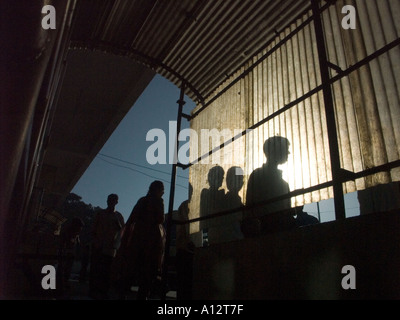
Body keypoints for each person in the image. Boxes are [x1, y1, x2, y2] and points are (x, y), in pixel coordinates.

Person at [118, 181, 166, 300]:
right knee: (148, 271)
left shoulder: (142, 201)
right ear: (157, 190)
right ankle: (142, 295)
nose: (163, 192)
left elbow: (131, 219)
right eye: (162, 190)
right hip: (151, 241)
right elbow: (161, 218)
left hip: (137, 240)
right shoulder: (158, 201)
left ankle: (123, 293)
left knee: (133, 268)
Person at [244, 136, 295, 236]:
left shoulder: (283, 183)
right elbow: (251, 208)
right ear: (275, 151)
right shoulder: (258, 176)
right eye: (285, 149)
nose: (288, 153)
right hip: (266, 232)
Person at [89, 193, 125, 299]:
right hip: (99, 247)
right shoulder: (100, 214)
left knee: (107, 272)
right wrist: (95, 243)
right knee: (96, 270)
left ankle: (104, 291)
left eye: (113, 200)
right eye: (110, 199)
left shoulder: (119, 216)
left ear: (116, 202)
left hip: (110, 249)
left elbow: (122, 232)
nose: (111, 202)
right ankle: (93, 291)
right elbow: (94, 230)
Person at [175, 183, 195, 300]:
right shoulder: (187, 205)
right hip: (186, 250)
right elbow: (186, 228)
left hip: (184, 249)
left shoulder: (185, 205)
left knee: (184, 286)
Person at [57, 217, 84, 297]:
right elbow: (62, 245)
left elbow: (77, 244)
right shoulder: (66, 233)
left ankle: (64, 284)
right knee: (62, 270)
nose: (80, 230)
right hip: (65, 255)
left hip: (71, 256)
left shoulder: (76, 235)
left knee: (67, 271)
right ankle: (60, 286)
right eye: (79, 228)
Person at [200, 166, 225, 245]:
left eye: (222, 176)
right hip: (210, 230)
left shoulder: (221, 194)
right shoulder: (205, 193)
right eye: (220, 176)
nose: (222, 179)